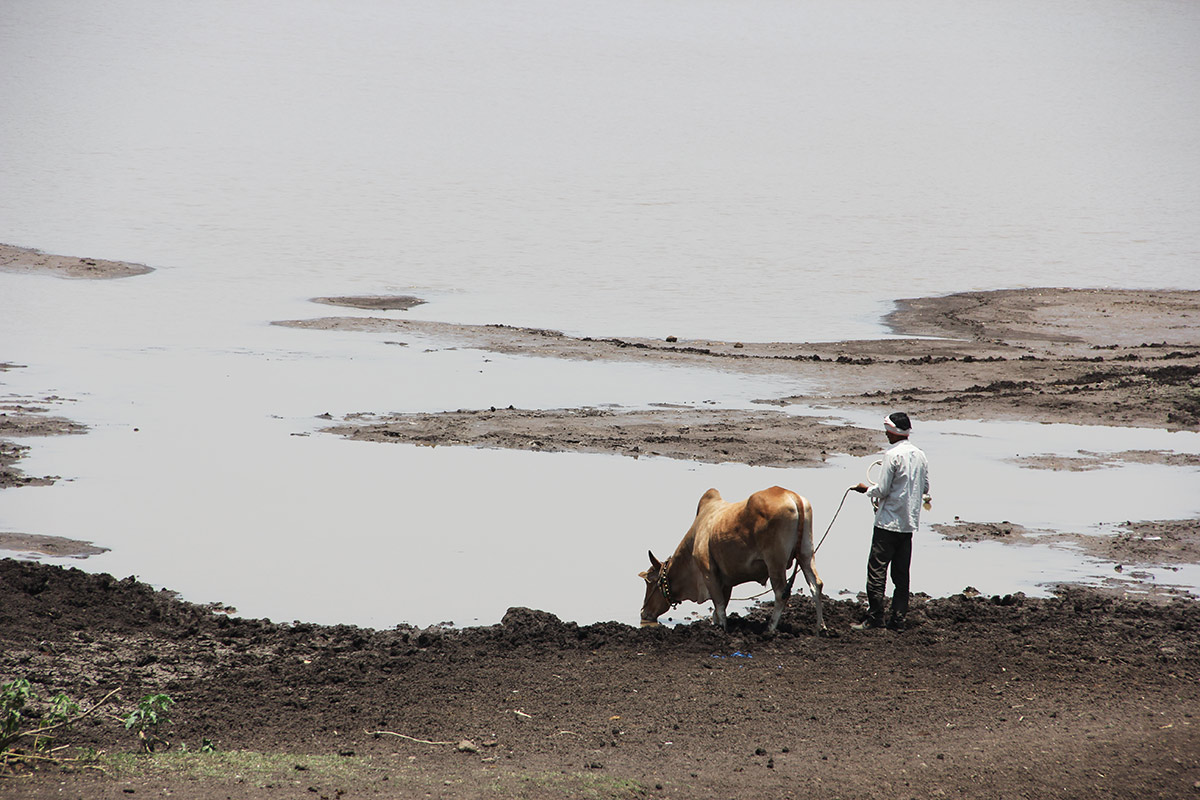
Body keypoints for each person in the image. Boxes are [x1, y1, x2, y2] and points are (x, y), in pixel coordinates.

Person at [849, 412, 930, 631]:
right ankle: (898, 620)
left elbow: (883, 490)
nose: (886, 435)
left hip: (886, 524)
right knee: (901, 576)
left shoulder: (892, 455)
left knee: (876, 571)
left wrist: (866, 490)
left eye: (887, 432)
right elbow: (925, 488)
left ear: (894, 432)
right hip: (907, 525)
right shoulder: (920, 456)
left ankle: (875, 618)